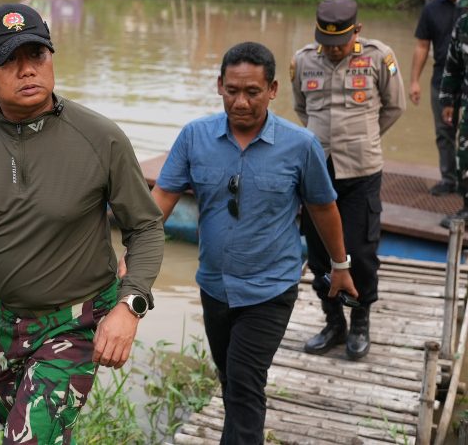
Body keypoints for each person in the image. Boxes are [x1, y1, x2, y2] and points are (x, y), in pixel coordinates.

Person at [0, 3, 165, 444]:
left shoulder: (100, 138)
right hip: (6, 323)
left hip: (78, 322)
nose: (28, 70)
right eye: (9, 60)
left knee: (25, 440)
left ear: (51, 57)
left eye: (37, 55)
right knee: (23, 431)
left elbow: (146, 227)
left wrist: (130, 304)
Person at [145, 42, 357, 443]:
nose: (240, 102)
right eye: (232, 91)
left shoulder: (301, 145)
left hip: (270, 288)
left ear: (273, 89)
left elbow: (324, 208)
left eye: (252, 92)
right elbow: (160, 203)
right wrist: (133, 260)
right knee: (231, 380)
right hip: (214, 285)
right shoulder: (195, 137)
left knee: (243, 381)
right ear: (220, 85)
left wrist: (340, 267)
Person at [291, 0, 405, 360]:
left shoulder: (378, 57)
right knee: (321, 252)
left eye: (340, 42)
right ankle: (333, 322)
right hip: (317, 169)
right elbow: (300, 108)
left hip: (361, 171)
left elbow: (395, 106)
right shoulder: (304, 59)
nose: (334, 49)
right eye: (327, 42)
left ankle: (360, 322)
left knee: (362, 252)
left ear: (356, 30)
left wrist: (365, 138)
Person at [410, 0, 468, 195]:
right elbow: (422, 46)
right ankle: (449, 179)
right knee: (444, 133)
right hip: (443, 81)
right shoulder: (431, 9)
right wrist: (414, 80)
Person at [439, 0, 468, 225]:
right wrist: (448, 101)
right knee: (464, 156)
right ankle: (467, 208)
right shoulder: (463, 25)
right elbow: (453, 67)